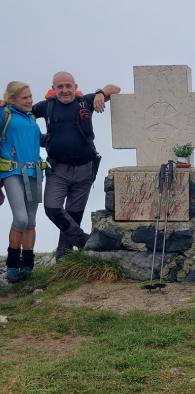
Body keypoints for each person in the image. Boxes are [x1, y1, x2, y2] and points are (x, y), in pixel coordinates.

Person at [32, 72, 120, 260]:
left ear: (74, 86)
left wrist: (99, 93)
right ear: (53, 89)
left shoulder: (85, 101)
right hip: (58, 169)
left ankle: (63, 254)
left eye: (68, 86)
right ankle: (81, 239)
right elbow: (24, 116)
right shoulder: (46, 106)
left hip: (85, 168)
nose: (64, 90)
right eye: (60, 87)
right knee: (53, 208)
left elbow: (115, 89)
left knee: (73, 213)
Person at [0, 81, 43, 282]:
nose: (29, 101)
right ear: (12, 99)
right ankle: (12, 265)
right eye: (24, 98)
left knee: (31, 221)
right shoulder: (4, 114)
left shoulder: (31, 117)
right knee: (21, 219)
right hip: (12, 172)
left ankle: (28, 264)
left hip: (34, 172)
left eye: (30, 96)